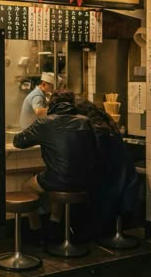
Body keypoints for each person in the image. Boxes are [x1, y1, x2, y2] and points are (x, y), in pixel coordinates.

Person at [13, 89, 100, 245]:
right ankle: (54, 226)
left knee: (27, 187)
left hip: (58, 179)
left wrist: (41, 136)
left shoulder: (45, 123)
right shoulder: (85, 121)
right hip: (85, 181)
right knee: (60, 181)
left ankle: (35, 231)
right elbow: (95, 149)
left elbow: (18, 141)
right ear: (73, 104)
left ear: (51, 104)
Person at [75, 99, 139, 238]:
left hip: (111, 183)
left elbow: (95, 159)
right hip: (126, 178)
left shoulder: (96, 130)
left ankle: (84, 233)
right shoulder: (108, 123)